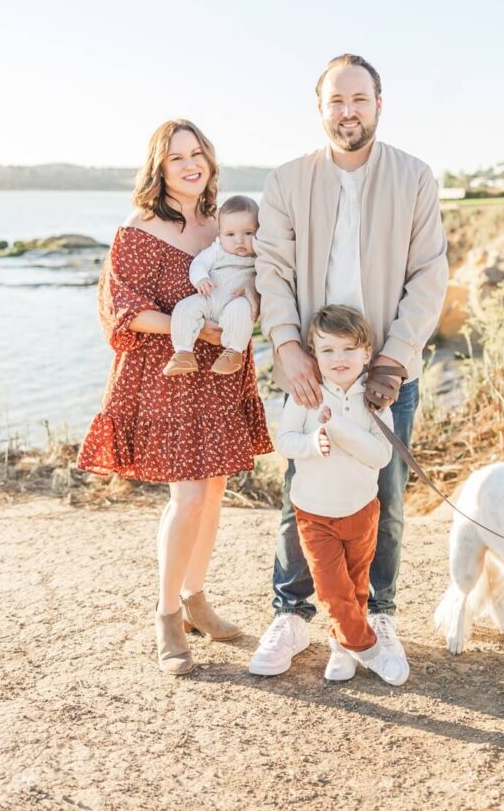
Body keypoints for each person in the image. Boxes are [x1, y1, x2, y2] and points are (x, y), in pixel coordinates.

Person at [250, 54, 448, 678]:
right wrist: (285, 346)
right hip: (312, 364)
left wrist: (392, 361)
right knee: (301, 489)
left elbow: (429, 275)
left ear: (379, 104)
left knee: (385, 494)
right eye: (336, 101)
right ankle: (293, 614)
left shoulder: (414, 177)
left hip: (385, 367)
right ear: (320, 108)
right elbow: (273, 273)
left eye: (359, 99)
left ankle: (376, 612)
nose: (348, 112)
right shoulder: (287, 181)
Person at [77, 119, 272, 675]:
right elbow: (123, 309)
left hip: (221, 374)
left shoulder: (225, 225)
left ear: (210, 161)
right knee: (186, 498)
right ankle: (165, 614)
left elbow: (256, 280)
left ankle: (195, 600)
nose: (191, 165)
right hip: (167, 373)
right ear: (158, 168)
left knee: (213, 495)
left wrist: (247, 314)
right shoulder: (137, 229)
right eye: (176, 157)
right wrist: (193, 330)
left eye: (198, 154)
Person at [275, 304, 407, 686]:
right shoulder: (307, 394)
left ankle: (341, 644)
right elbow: (285, 442)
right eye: (328, 350)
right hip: (314, 513)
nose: (339, 358)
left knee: (356, 586)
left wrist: (339, 430)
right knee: (333, 591)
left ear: (368, 354)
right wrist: (314, 442)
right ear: (314, 353)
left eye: (349, 349)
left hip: (362, 510)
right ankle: (370, 651)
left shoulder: (377, 398)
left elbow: (382, 456)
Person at [163, 194, 258, 377]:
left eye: (248, 233)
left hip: (234, 301)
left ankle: (234, 351)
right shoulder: (217, 250)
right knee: (184, 307)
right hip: (209, 297)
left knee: (241, 311)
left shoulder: (259, 256)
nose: (239, 240)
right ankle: (183, 351)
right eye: (231, 234)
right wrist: (200, 279)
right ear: (220, 234)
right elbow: (199, 264)